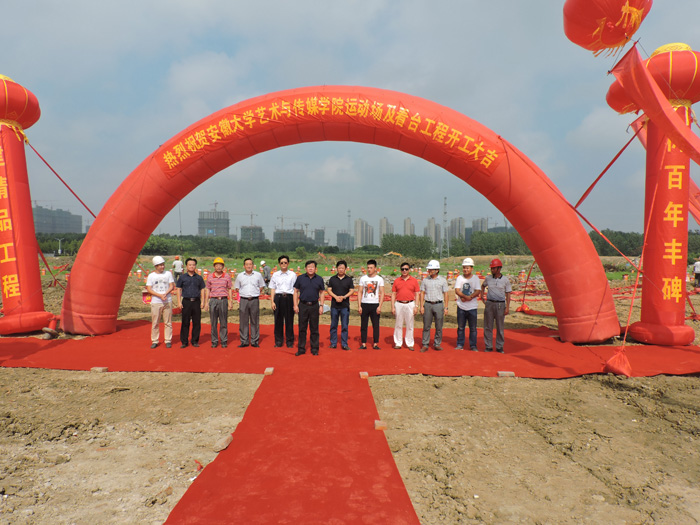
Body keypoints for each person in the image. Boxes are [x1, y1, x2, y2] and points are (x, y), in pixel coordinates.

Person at [293, 260, 325, 356]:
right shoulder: (300, 278)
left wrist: (321, 305)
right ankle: (301, 348)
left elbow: (322, 292)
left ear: (315, 268)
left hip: (314, 305)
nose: (310, 268)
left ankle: (314, 348)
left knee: (314, 328)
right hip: (303, 305)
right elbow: (295, 291)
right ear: (305, 268)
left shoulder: (319, 279)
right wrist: (295, 305)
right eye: (309, 267)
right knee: (302, 328)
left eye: (312, 267)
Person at [481, 258, 512, 353]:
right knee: (488, 326)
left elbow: (508, 294)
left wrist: (507, 307)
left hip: (500, 305)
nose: (492, 270)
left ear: (499, 268)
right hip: (489, 304)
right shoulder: (488, 278)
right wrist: (482, 296)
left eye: (494, 268)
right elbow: (483, 286)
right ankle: (488, 346)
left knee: (500, 326)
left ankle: (499, 346)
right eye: (491, 268)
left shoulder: (505, 280)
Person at [234, 257, 266, 348]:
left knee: (254, 320)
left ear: (253, 265)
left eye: (250, 264)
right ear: (244, 266)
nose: (249, 266)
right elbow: (237, 288)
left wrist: (254, 292)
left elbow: (261, 286)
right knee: (243, 321)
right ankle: (244, 341)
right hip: (243, 300)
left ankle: (254, 341)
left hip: (254, 300)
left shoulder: (258, 275)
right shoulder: (240, 276)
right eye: (247, 264)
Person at [175, 257, 206, 349]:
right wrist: (179, 302)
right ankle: (184, 341)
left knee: (196, 322)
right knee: (185, 322)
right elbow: (178, 289)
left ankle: (195, 341)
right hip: (186, 302)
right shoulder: (182, 277)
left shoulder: (199, 278)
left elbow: (202, 289)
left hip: (196, 302)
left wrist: (203, 302)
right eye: (190, 265)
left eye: (193, 265)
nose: (192, 266)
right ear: (186, 266)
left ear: (195, 266)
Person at [146, 255, 175, 349]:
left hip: (167, 300)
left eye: (163, 264)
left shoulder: (168, 274)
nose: (162, 266)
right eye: (160, 265)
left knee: (168, 322)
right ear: (156, 266)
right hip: (156, 302)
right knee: (155, 322)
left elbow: (171, 286)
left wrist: (165, 293)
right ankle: (155, 340)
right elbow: (149, 289)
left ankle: (168, 340)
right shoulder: (151, 276)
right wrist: (159, 295)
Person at [420, 259, 449, 352]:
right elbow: (422, 293)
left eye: (431, 269)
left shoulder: (443, 280)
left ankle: (437, 344)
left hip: (438, 305)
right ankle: (425, 344)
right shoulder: (425, 280)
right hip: (428, 304)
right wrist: (421, 306)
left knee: (439, 326)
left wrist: (446, 307)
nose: (429, 271)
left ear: (437, 270)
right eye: (428, 269)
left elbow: (446, 294)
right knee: (426, 326)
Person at [204, 257, 233, 348]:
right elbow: (208, 289)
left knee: (223, 322)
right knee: (213, 322)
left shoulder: (227, 276)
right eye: (217, 265)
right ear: (214, 266)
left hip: (223, 300)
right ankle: (214, 341)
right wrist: (206, 302)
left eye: (220, 265)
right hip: (213, 300)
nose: (219, 267)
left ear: (223, 266)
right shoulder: (210, 277)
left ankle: (224, 340)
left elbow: (229, 289)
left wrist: (231, 301)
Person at [391, 262, 421, 350]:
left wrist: (416, 306)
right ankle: (398, 342)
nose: (404, 271)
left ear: (409, 270)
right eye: (402, 269)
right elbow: (393, 294)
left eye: (406, 269)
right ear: (400, 270)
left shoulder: (414, 281)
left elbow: (417, 294)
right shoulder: (397, 281)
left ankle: (410, 343)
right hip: (399, 303)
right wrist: (392, 306)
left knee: (410, 325)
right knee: (398, 324)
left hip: (410, 304)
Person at [269, 254, 297, 348]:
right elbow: (272, 288)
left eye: (285, 262)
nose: (283, 264)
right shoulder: (275, 275)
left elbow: (295, 290)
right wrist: (272, 301)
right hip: (278, 298)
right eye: (282, 263)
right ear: (279, 264)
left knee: (289, 320)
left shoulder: (293, 275)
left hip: (289, 298)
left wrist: (295, 303)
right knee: (278, 320)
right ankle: (278, 341)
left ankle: (289, 341)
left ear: (288, 263)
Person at [454, 257, 482, 351]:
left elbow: (478, 290)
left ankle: (473, 345)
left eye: (467, 268)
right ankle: (460, 344)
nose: (465, 269)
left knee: (473, 328)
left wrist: (470, 297)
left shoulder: (475, 278)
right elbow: (457, 290)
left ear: (471, 268)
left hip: (472, 307)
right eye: (464, 267)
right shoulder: (459, 278)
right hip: (461, 307)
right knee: (461, 327)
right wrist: (464, 297)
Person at [327, 260, 354, 350]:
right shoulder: (332, 279)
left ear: (345, 269)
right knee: (333, 325)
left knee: (345, 325)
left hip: (344, 306)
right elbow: (329, 290)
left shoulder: (349, 279)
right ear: (336, 269)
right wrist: (335, 297)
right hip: (334, 306)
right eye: (339, 268)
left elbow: (352, 290)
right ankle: (333, 343)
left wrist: (344, 297)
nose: (341, 270)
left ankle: (344, 344)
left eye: (343, 268)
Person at [358, 259, 384, 349]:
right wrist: (359, 305)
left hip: (375, 304)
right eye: (368, 267)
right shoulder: (363, 278)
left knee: (375, 325)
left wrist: (380, 306)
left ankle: (375, 343)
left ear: (375, 268)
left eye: (371, 268)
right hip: (364, 304)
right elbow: (359, 292)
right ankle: (363, 343)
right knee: (363, 325)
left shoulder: (379, 279)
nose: (369, 269)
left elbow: (382, 293)